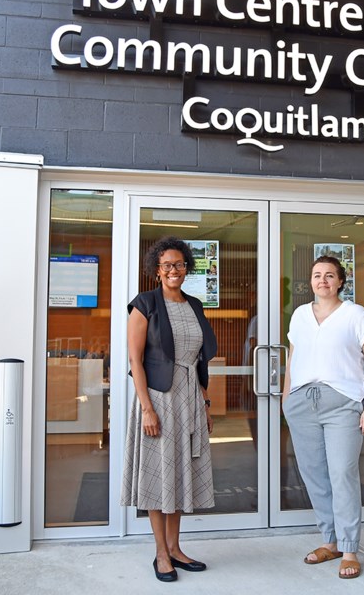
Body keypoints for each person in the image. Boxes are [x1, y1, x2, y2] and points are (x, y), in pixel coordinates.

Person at [121, 236, 218, 583]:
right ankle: (161, 553)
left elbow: (199, 358)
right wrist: (146, 408)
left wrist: (204, 403)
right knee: (159, 474)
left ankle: (176, 549)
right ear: (156, 270)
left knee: (179, 474)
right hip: (159, 398)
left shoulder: (194, 305)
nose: (173, 270)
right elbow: (135, 359)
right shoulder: (144, 304)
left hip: (190, 397)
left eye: (179, 264)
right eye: (167, 265)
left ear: (187, 268)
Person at [282, 255, 364, 580]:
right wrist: (287, 399)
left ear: (340, 281)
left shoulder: (356, 314)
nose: (322, 280)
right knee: (314, 475)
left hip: (342, 404)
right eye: (316, 275)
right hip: (302, 403)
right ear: (310, 281)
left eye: (329, 275)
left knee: (342, 473)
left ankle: (350, 548)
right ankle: (330, 541)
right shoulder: (299, 315)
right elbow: (293, 357)